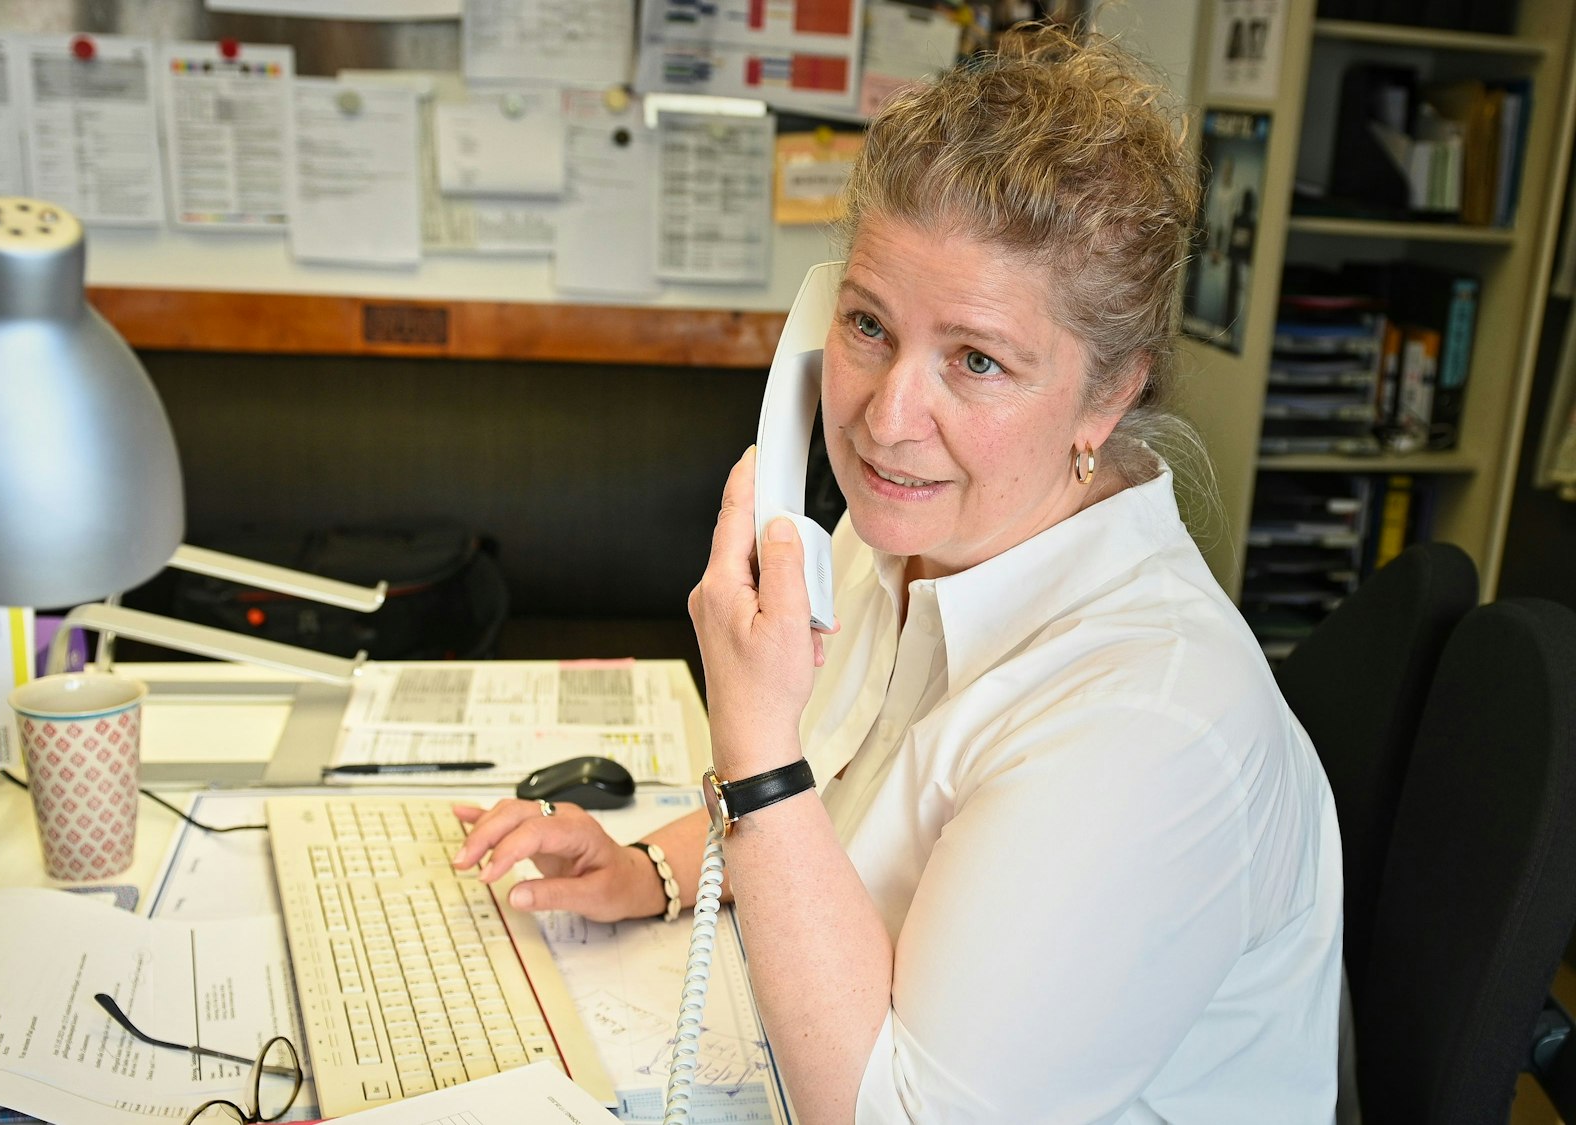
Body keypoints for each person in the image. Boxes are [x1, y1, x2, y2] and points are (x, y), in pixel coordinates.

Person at [452, 26, 1342, 1125]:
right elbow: (839, 799)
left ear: (1106, 397)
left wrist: (753, 743)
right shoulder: (901, 543)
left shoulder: (1146, 722)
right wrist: (655, 873)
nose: (884, 418)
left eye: (975, 360)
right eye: (868, 325)